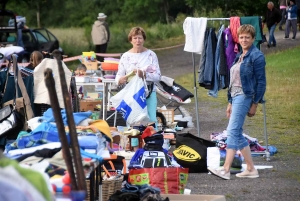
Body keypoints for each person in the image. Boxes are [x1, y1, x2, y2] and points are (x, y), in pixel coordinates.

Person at [207, 24, 266, 180]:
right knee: (237, 133)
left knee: (232, 131)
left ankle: (225, 169)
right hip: (236, 97)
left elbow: (261, 82)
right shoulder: (239, 56)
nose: (244, 39)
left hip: (245, 96)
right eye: (241, 37)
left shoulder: (257, 56)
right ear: (238, 39)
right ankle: (251, 169)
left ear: (253, 39)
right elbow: (234, 81)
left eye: (247, 37)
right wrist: (230, 102)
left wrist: (255, 104)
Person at [115, 27, 161, 150]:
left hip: (149, 92)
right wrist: (121, 79)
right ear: (131, 40)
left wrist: (144, 74)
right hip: (131, 94)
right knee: (133, 121)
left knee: (151, 119)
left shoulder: (151, 55)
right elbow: (119, 75)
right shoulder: (125, 56)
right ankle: (135, 148)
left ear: (144, 39)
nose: (137, 41)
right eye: (135, 38)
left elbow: (157, 76)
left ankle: (153, 145)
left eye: (140, 38)